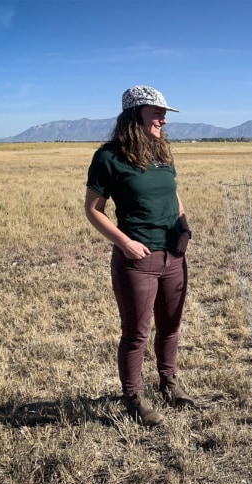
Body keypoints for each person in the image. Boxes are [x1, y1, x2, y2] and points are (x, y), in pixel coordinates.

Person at [84, 85, 194, 426]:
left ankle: (169, 384)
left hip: (173, 256)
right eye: (157, 113)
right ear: (135, 115)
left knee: (171, 327)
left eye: (164, 114)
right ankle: (132, 399)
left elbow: (174, 197)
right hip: (137, 260)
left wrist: (184, 226)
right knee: (136, 333)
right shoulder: (108, 157)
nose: (163, 119)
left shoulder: (163, 152)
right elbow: (93, 210)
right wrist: (124, 243)